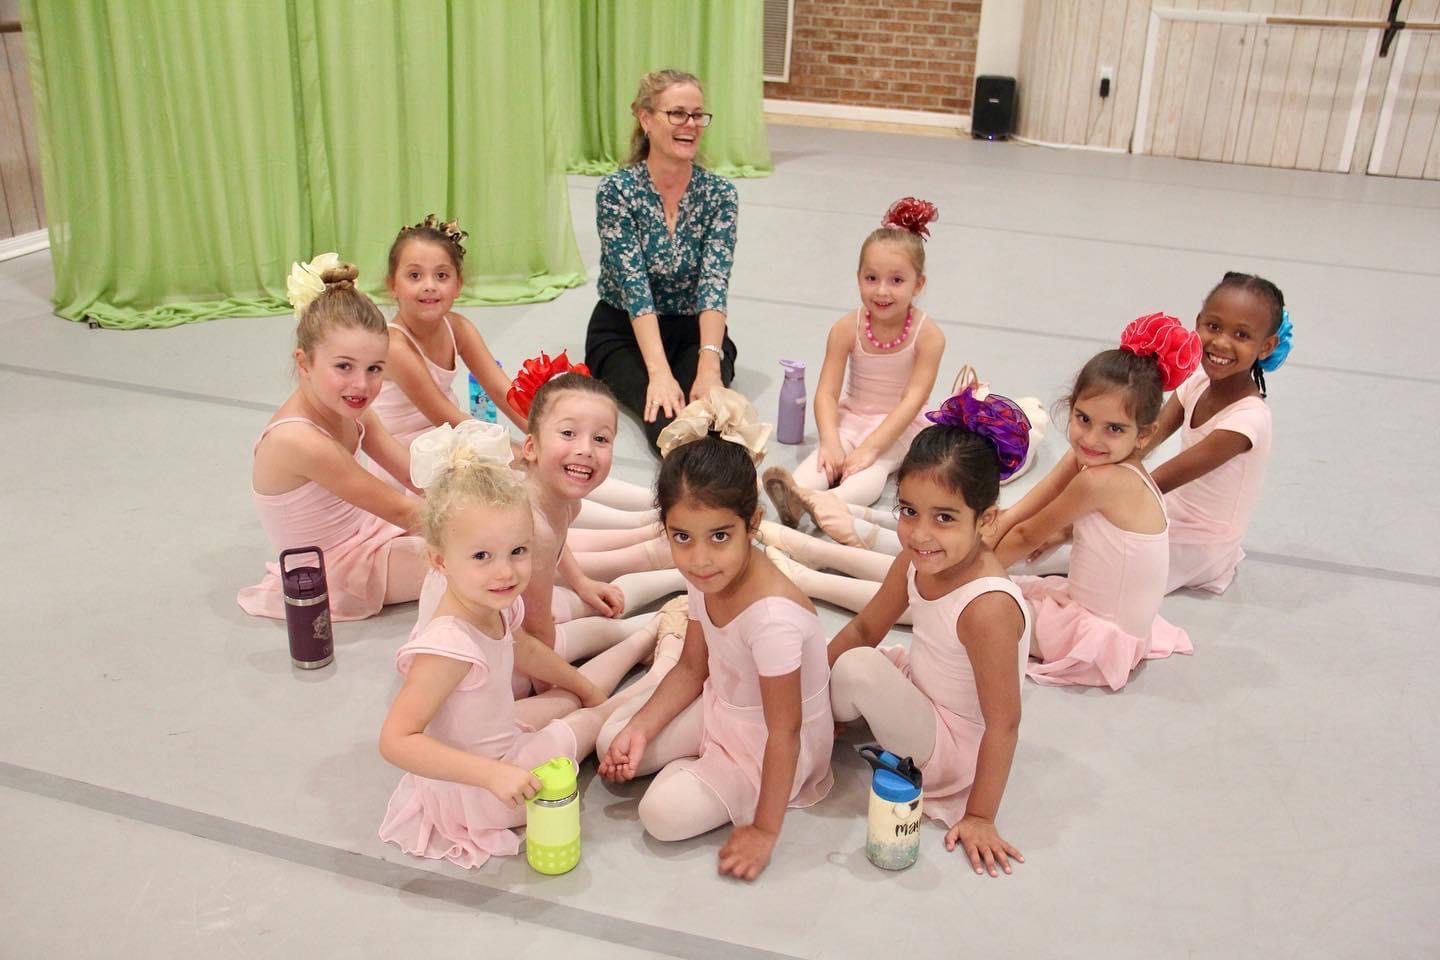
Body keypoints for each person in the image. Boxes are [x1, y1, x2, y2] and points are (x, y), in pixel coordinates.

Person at [377, 437, 660, 869]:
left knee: (571, 697)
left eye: (518, 552)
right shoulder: (449, 646)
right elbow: (396, 741)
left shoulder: (491, 604)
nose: (505, 571)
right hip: (483, 790)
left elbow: (522, 648)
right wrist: (493, 775)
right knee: (589, 721)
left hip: (499, 736)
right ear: (440, 561)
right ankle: (660, 670)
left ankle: (647, 636)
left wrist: (581, 684)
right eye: (482, 557)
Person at [597, 391, 834, 881]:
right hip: (723, 706)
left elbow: (784, 731)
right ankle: (680, 753)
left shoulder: (772, 620)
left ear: (753, 524)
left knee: (658, 815)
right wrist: (641, 728)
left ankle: (714, 779)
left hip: (772, 740)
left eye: (720, 536)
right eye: (682, 537)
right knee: (612, 742)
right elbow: (691, 667)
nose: (700, 558)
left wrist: (765, 831)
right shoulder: (708, 575)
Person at [826, 389, 1034, 876]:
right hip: (923, 692)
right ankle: (813, 708)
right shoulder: (916, 560)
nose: (920, 533)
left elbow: (1003, 722)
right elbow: (864, 625)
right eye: (908, 511)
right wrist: (809, 686)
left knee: (855, 668)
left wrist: (980, 815)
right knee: (831, 657)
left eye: (944, 518)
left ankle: (816, 715)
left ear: (986, 521)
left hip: (951, 745)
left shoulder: (987, 608)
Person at [992, 314, 1200, 690]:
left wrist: (966, 577)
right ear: (1071, 408)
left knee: (961, 604)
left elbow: (1025, 536)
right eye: (1083, 418)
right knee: (975, 560)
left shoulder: (1102, 480)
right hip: (1111, 625)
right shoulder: (1111, 458)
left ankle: (869, 572)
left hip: (1093, 639)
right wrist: (1004, 517)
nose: (1091, 437)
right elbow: (1039, 500)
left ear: (1145, 435)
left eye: (1114, 428)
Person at [237, 257, 425, 621]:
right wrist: (490, 527)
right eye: (344, 366)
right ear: (304, 363)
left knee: (535, 537)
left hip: (369, 535)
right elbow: (401, 509)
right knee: (517, 557)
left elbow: (412, 474)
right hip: (336, 570)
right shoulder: (298, 441)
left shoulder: (349, 409)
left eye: (374, 369)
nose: (361, 385)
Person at [584, 69, 739, 452]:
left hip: (694, 332)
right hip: (624, 331)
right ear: (646, 118)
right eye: (677, 114)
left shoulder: (720, 195)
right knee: (667, 422)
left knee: (712, 417)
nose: (690, 124)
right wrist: (659, 374)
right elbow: (635, 290)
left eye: (697, 114)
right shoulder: (617, 192)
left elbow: (713, 284)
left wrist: (709, 365)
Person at [764, 197, 946, 519]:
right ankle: (798, 497)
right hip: (853, 416)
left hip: (899, 426)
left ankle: (828, 508)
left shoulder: (928, 336)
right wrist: (831, 440)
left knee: (871, 471)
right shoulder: (846, 328)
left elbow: (912, 400)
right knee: (821, 463)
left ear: (918, 284)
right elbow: (827, 393)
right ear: (858, 276)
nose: (882, 292)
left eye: (897, 280)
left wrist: (871, 448)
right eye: (871, 278)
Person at [1149, 272, 1290, 593]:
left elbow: (1155, 482)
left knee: (1078, 547)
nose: (1222, 342)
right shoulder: (1196, 383)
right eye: (1213, 327)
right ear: (1197, 323)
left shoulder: (1246, 420)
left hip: (1203, 548)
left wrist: (1067, 523)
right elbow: (1142, 440)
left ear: (1266, 346)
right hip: (1168, 513)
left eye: (1241, 334)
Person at [371, 214, 525, 449]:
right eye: (415, 276)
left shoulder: (459, 327)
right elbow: (446, 417)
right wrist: (522, 455)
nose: (429, 286)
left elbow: (504, 392)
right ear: (393, 285)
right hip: (408, 454)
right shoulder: (394, 346)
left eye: (441, 275)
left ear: (458, 285)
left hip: (451, 436)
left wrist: (543, 433)